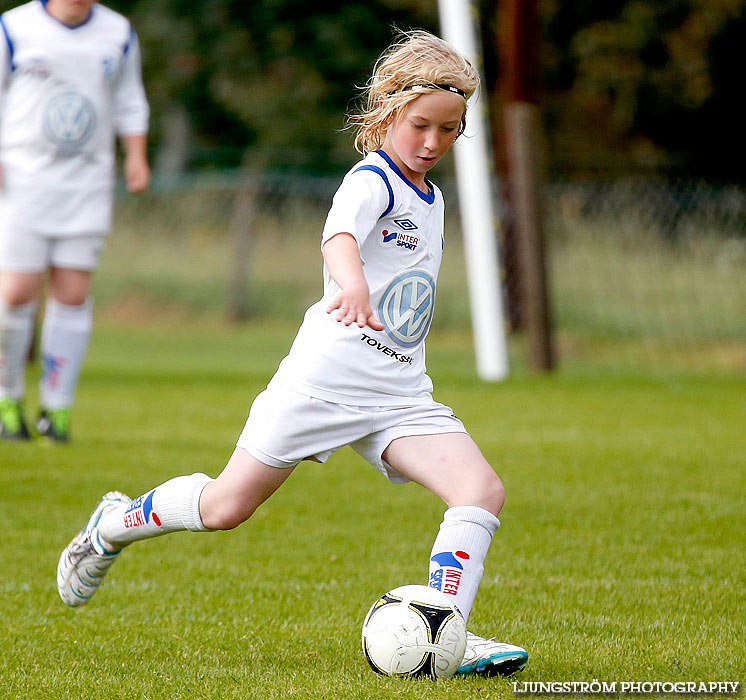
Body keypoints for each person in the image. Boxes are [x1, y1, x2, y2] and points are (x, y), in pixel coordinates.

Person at [56, 30, 528, 677]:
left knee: (479, 490)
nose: (433, 143)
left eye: (450, 130)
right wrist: (353, 280)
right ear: (387, 110)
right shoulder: (373, 181)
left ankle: (444, 629)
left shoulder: (434, 196)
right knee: (226, 508)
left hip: (398, 393)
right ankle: (113, 524)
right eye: (422, 125)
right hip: (322, 383)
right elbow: (338, 236)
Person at [0, 0, 150, 442]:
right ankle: (8, 399)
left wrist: (136, 156)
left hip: (86, 182)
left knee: (73, 292)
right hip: (22, 181)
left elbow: (129, 99)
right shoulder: (14, 27)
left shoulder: (117, 32)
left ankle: (56, 410)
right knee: (15, 293)